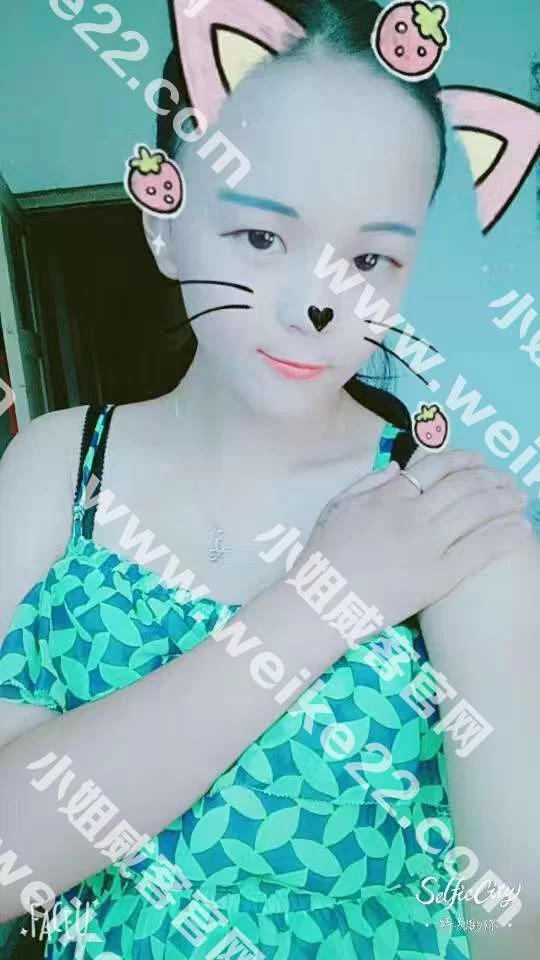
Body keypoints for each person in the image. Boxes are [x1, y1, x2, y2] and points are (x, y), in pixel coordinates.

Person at [0, 1, 538, 958]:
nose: (316, 307)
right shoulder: (54, 465)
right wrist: (322, 601)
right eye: (260, 237)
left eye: (370, 257)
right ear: (164, 222)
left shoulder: (446, 515)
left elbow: (515, 924)